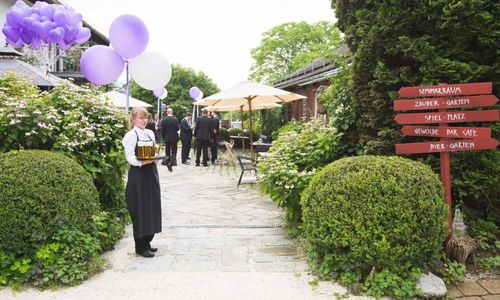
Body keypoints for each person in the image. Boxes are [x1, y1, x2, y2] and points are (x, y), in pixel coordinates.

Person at [121, 107, 161, 258]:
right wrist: (144, 163)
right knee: (140, 208)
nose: (144, 120)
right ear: (133, 120)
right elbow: (130, 158)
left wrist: (156, 158)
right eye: (141, 118)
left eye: (146, 118)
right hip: (138, 175)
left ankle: (148, 241)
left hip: (151, 174)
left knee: (152, 206)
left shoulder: (150, 133)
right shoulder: (130, 136)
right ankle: (140, 246)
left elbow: (152, 152)